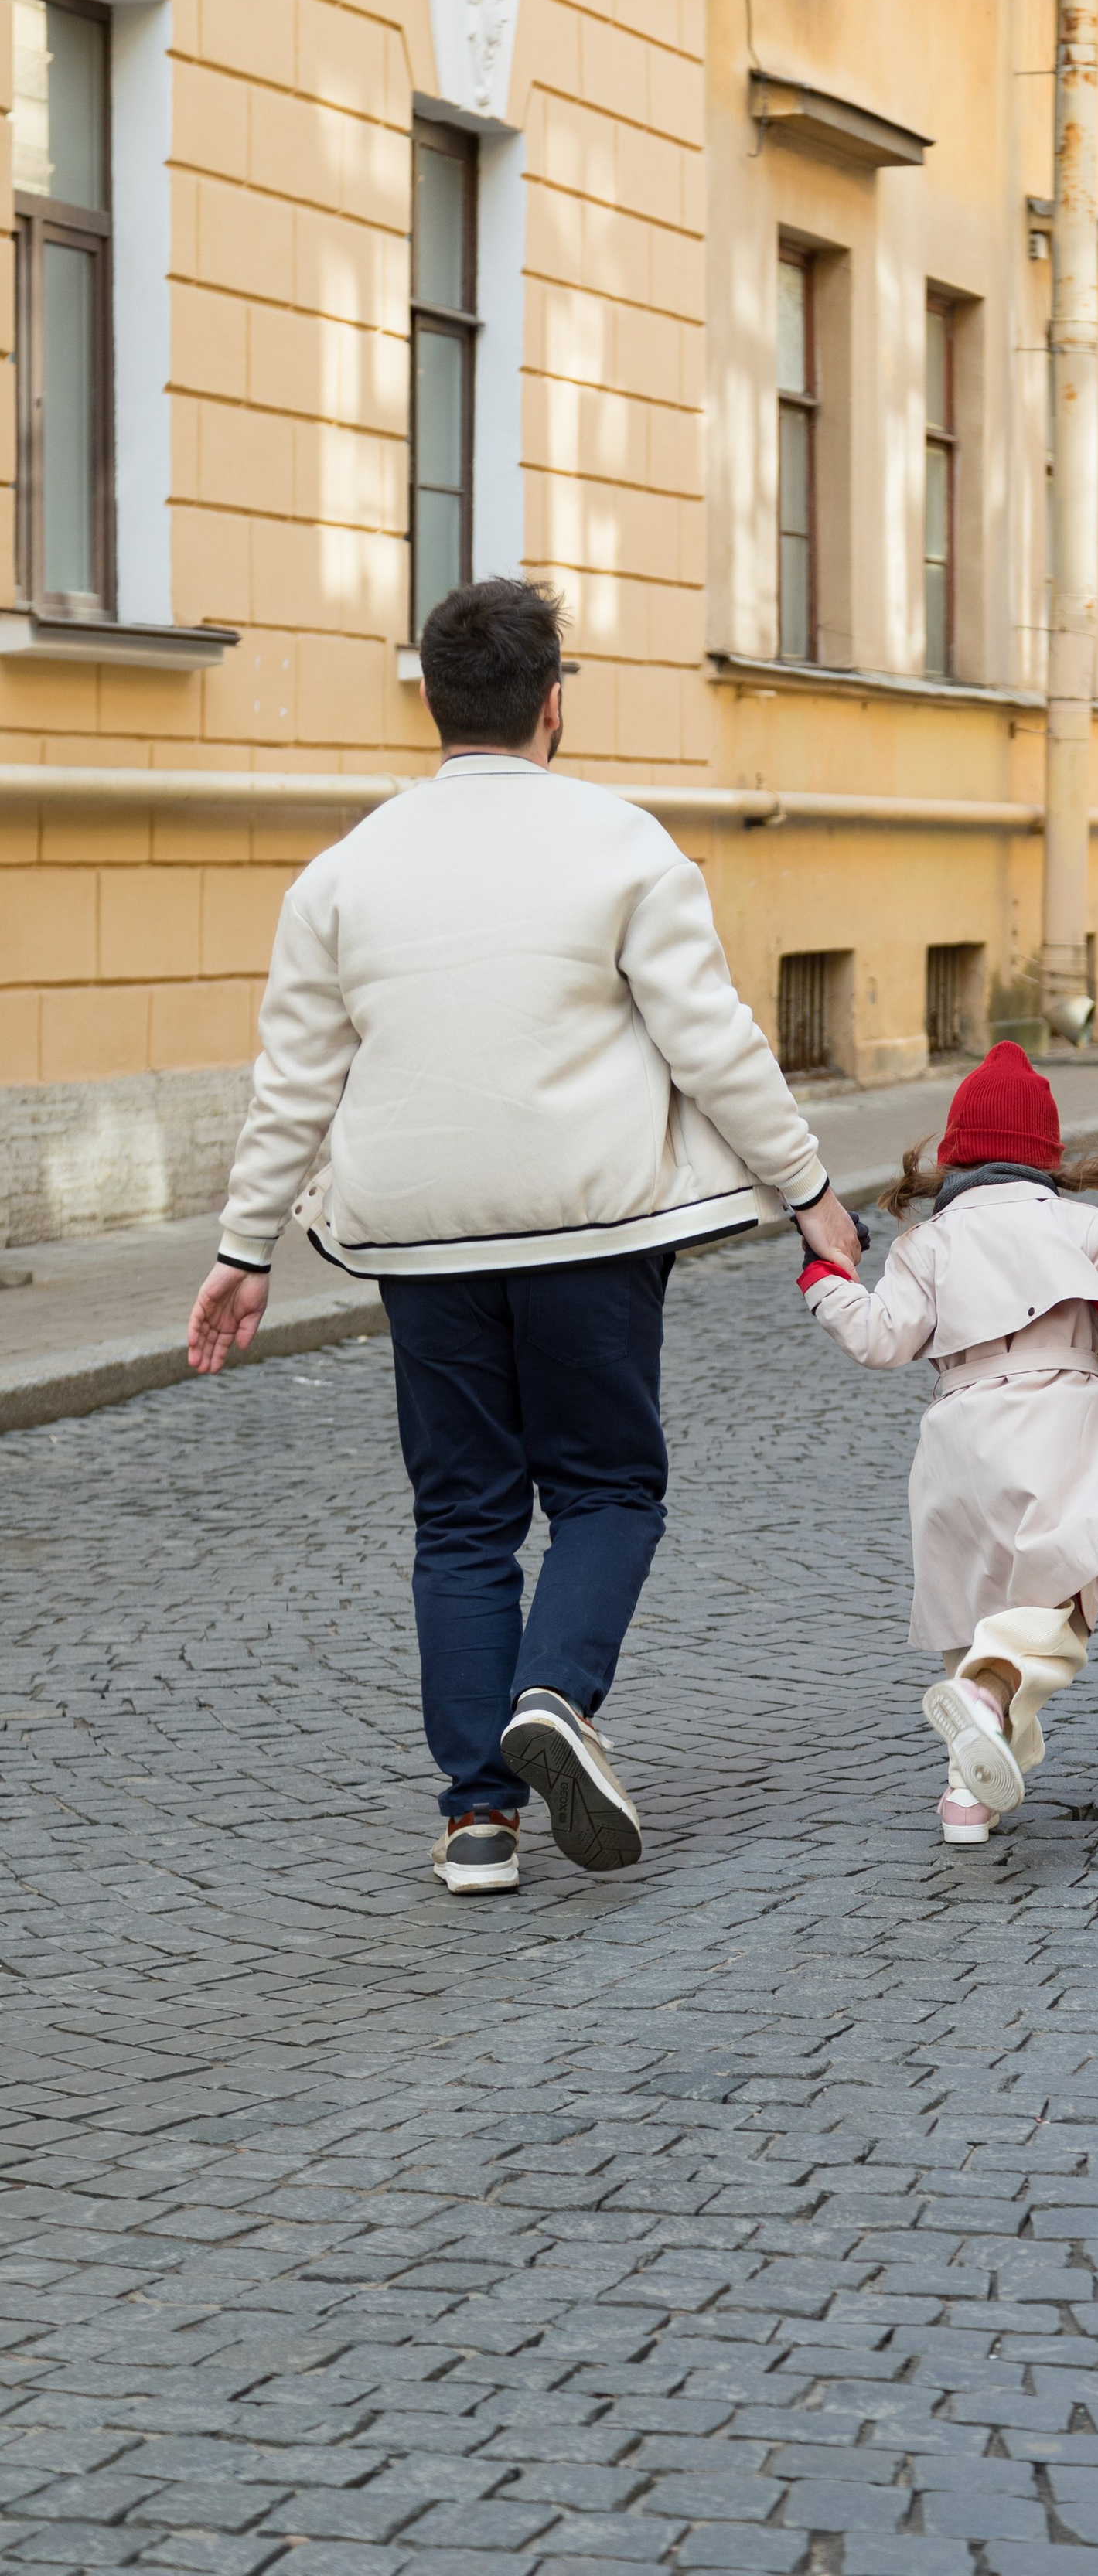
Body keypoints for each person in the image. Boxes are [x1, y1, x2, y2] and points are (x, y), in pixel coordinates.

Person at [186, 578, 861, 1895]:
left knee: (461, 1517)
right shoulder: (622, 846)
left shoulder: (342, 873)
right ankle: (553, 1694)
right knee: (607, 1490)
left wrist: (245, 1250)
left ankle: (477, 1819)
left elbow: (293, 1086)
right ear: (555, 703)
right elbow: (711, 1041)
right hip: (592, 1228)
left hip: (420, 1244)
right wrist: (809, 1191)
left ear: (432, 704)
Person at [796, 1040, 1098, 1843]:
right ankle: (979, 1714)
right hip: (1056, 1422)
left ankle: (967, 1798)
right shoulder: (1081, 1226)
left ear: (956, 1153)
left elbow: (878, 1340)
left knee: (975, 1621)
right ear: (1047, 1154)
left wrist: (824, 1276)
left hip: (956, 1435)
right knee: (1053, 1608)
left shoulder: (925, 1243)